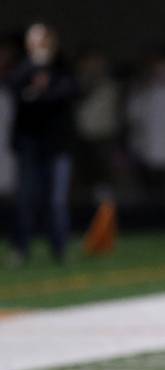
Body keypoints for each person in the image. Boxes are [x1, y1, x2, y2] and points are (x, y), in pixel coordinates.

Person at [8, 22, 78, 264]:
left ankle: (60, 249)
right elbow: (16, 90)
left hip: (57, 146)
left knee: (56, 201)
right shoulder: (23, 69)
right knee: (26, 199)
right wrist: (34, 71)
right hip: (29, 145)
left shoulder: (62, 68)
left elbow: (66, 93)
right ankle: (20, 249)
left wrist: (37, 95)